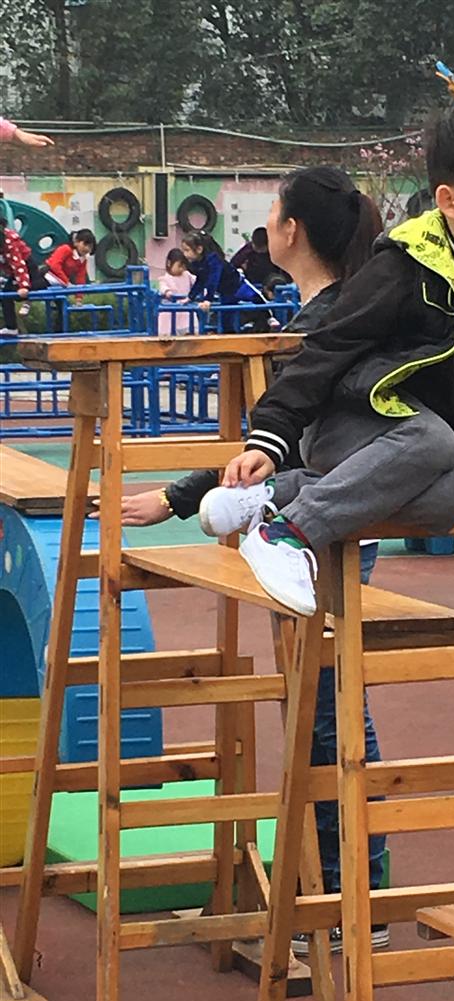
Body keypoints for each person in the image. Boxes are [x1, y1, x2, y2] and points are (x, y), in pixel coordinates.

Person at [100, 167, 388, 952]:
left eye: (273, 216)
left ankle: (350, 906)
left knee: (327, 712)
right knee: (324, 706)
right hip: (322, 515)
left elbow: (278, 433)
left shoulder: (331, 320)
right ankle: (340, 901)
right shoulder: (329, 310)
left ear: (293, 232)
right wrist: (183, 497)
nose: (266, 229)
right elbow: (274, 429)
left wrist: (180, 496)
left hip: (327, 523)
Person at [198, 104, 454, 622]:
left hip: (413, 451)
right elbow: (328, 347)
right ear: (449, 202)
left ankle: (279, 498)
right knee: (436, 441)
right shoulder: (405, 265)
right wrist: (270, 437)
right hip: (344, 425)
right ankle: (287, 535)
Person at [181, 231, 272, 333]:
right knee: (226, 319)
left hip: (238, 286)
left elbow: (213, 279)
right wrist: (190, 297)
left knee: (256, 297)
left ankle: (270, 318)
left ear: (199, 249)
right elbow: (200, 280)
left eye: (187, 250)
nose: (185, 254)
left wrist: (208, 299)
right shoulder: (198, 263)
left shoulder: (214, 259)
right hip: (226, 293)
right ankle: (229, 335)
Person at [37, 229, 96, 333]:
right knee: (33, 290)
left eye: (90, 247)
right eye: (85, 244)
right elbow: (55, 265)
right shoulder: (65, 249)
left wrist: (79, 297)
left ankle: (59, 333)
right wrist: (67, 282)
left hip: (59, 284)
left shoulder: (82, 260)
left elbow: (80, 277)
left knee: (63, 308)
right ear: (77, 242)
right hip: (46, 277)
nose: (87, 249)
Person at [0, 215, 32, 336]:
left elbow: (18, 264)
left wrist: (23, 285)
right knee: (5, 295)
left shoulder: (8, 240)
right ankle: (11, 327)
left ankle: (12, 326)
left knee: (10, 293)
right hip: (13, 271)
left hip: (27, 267)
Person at [156, 248, 196, 334]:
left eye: (184, 266)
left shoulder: (187, 275)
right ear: (169, 263)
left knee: (190, 334)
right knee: (169, 336)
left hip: (186, 313)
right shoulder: (165, 279)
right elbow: (163, 287)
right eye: (179, 266)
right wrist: (167, 292)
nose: (182, 269)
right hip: (169, 316)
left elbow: (197, 283)